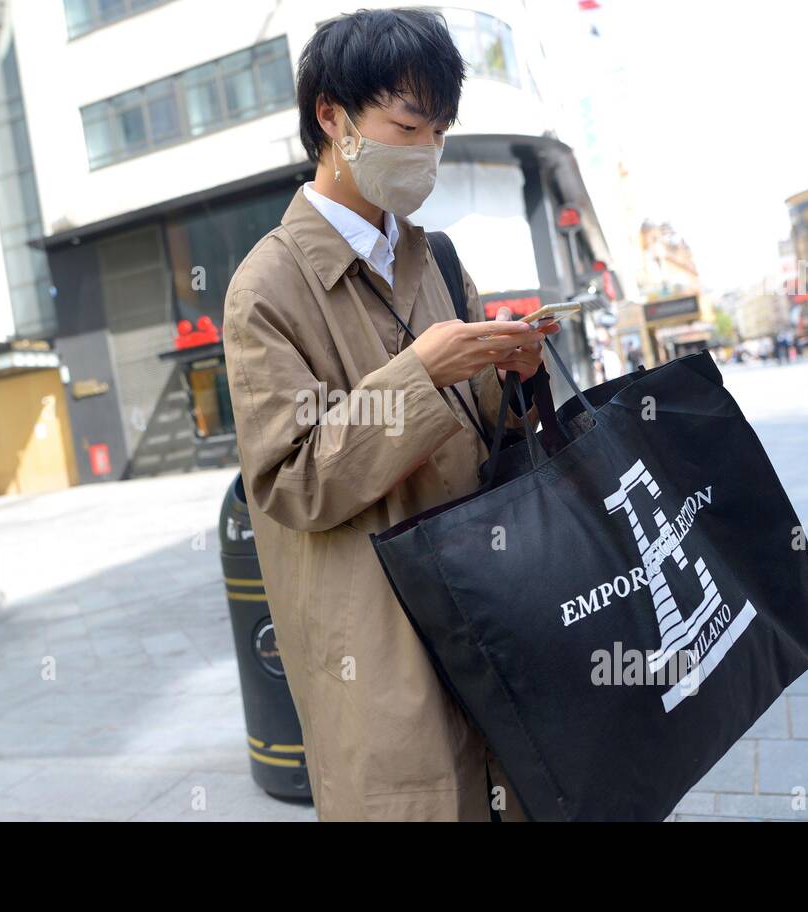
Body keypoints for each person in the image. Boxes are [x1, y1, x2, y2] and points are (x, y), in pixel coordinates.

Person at [222, 8, 558, 822]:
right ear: (331, 117)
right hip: (380, 666)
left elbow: (495, 446)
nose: (427, 153)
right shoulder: (265, 290)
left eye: (439, 131)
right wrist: (419, 374)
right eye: (408, 124)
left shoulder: (437, 258)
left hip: (492, 633)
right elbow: (292, 481)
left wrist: (520, 376)